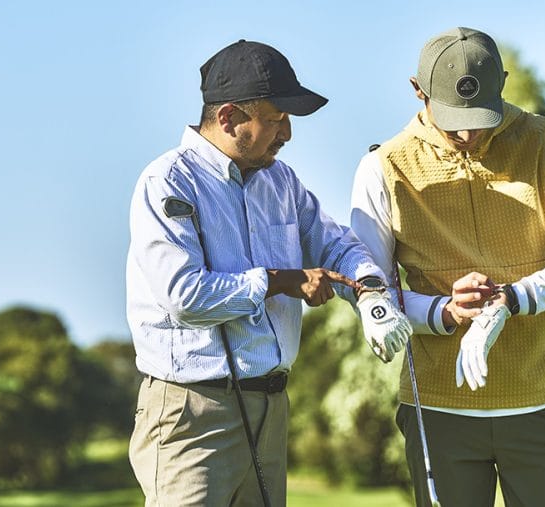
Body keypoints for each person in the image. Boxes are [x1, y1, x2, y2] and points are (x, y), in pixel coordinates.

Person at [126, 39, 412, 507]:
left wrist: (371, 293)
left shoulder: (282, 181)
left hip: (271, 408)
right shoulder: (168, 182)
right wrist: (279, 281)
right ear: (230, 118)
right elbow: (183, 295)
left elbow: (335, 242)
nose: (288, 134)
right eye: (277, 119)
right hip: (192, 414)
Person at [350, 26, 545, 507]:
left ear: (504, 84)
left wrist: (511, 300)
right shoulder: (382, 167)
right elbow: (370, 294)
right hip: (439, 409)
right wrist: (445, 312)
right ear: (417, 91)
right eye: (453, 119)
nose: (467, 133)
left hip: (544, 399)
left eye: (479, 116)